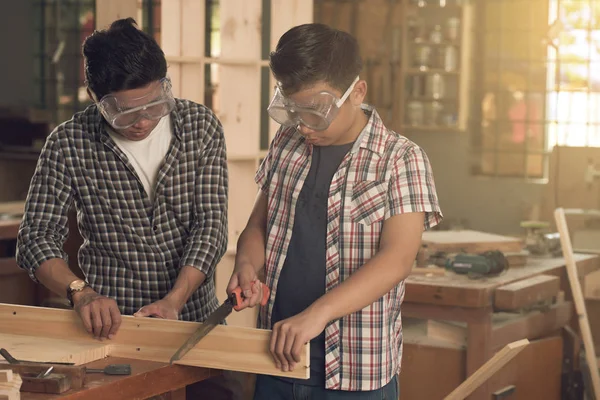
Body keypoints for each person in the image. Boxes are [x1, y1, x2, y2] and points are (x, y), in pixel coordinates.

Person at [16, 18, 241, 400]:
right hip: (111, 333)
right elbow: (35, 239)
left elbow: (210, 227)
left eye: (155, 104)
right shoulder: (68, 144)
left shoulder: (200, 126)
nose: (143, 121)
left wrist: (174, 301)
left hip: (194, 324)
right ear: (95, 97)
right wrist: (81, 293)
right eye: (125, 112)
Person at [226, 23, 443, 399]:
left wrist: (316, 315)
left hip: (356, 372)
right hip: (277, 358)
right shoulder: (287, 142)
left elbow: (397, 260)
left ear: (356, 92)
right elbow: (259, 226)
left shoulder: (400, 159)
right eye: (293, 110)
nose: (304, 125)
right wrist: (246, 265)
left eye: (316, 112)